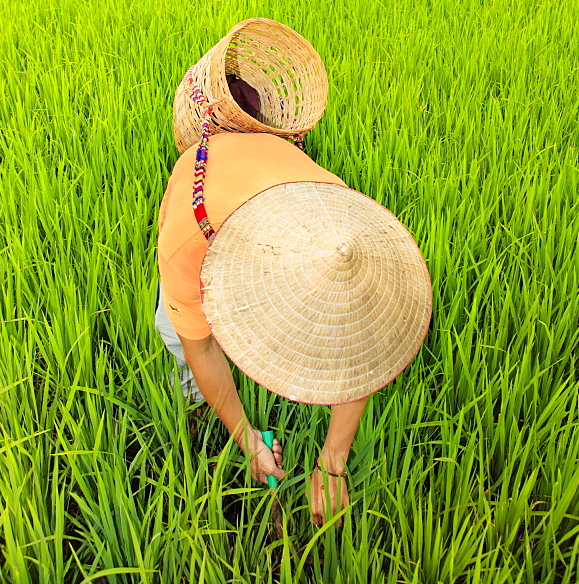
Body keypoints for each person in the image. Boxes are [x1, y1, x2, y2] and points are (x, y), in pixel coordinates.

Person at [156, 131, 431, 526]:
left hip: (273, 170)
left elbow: (358, 349)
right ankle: (196, 404)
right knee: (179, 335)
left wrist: (333, 463)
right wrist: (246, 440)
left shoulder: (343, 234)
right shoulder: (187, 245)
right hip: (201, 196)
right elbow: (201, 348)